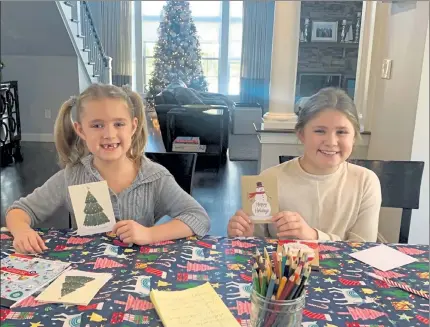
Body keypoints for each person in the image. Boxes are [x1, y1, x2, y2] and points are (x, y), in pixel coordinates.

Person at [6, 84, 210, 254]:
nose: (109, 134)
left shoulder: (155, 177)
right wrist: (22, 230)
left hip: (139, 274)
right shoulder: (71, 176)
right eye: (97, 125)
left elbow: (198, 218)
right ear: (80, 130)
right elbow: (20, 211)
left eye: (118, 124)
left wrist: (149, 234)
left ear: (133, 126)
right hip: (87, 276)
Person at [227, 87, 381, 242]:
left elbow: (363, 248)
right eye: (320, 131)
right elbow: (256, 244)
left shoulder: (365, 181)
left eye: (341, 132)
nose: (331, 142)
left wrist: (313, 236)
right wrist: (244, 236)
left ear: (354, 137)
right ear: (301, 134)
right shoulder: (268, 179)